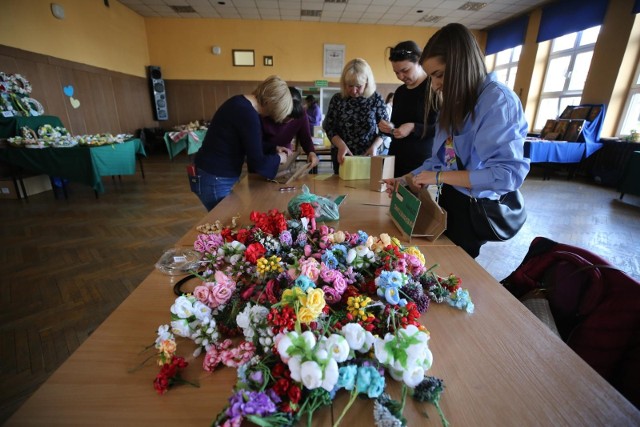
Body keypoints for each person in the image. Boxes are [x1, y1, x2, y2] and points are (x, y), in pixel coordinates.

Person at [384, 23, 530, 258]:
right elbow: (442, 159)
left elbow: (507, 176)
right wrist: (405, 179)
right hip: (451, 200)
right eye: (432, 77)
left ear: (462, 64)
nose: (436, 85)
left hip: (476, 208)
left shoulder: (498, 101)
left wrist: (439, 177)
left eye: (439, 75)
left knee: (458, 266)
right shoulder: (454, 102)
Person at [193, 75, 294, 211]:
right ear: (270, 102)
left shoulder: (239, 103)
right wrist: (279, 158)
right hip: (215, 178)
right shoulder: (248, 114)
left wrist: (274, 148)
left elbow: (248, 143)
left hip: (212, 175)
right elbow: (257, 162)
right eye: (272, 112)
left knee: (233, 218)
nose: (268, 116)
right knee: (227, 223)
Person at [378, 41, 437, 177]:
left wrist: (413, 127)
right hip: (396, 159)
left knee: (414, 197)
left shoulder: (433, 87)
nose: (400, 77)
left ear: (419, 62)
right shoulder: (400, 92)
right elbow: (397, 127)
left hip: (421, 161)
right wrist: (389, 128)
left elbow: (441, 128)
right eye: (396, 72)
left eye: (405, 71)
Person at [323, 58, 389, 174]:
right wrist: (341, 145)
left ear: (367, 83)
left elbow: (386, 129)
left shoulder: (375, 99)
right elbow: (329, 127)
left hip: (368, 156)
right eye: (349, 85)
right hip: (343, 155)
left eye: (358, 86)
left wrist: (374, 147)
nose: (353, 91)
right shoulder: (337, 99)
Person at [262, 87, 319, 169]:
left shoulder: (301, 114)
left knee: (285, 178)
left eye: (293, 117)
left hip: (286, 155)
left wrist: (311, 152)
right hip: (263, 155)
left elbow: (306, 138)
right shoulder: (265, 114)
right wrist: (275, 148)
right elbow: (254, 143)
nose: (290, 120)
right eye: (287, 115)